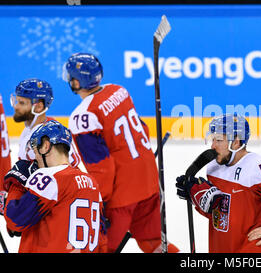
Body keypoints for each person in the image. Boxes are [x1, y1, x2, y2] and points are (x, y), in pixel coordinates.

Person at [63, 52, 178, 253]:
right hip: (149, 182)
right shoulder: (118, 91)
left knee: (98, 249)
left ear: (76, 81)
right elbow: (144, 129)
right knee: (154, 243)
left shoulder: (83, 116)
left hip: (121, 195)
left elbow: (102, 168)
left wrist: (99, 203)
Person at [176, 113, 261, 253]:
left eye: (219, 140)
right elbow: (224, 216)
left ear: (236, 142)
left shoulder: (257, 169)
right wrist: (201, 199)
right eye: (213, 140)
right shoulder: (214, 167)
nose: (213, 146)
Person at [1, 120, 107, 252]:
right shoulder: (92, 183)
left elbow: (15, 220)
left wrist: (16, 186)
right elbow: (102, 239)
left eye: (35, 150)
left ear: (45, 146)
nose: (35, 159)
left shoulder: (50, 177)